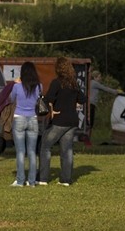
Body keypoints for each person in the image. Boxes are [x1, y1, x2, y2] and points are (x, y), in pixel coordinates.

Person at [38, 57, 87, 186]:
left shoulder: (56, 82)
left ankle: (43, 178)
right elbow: (83, 99)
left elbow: (49, 98)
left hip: (60, 120)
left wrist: (51, 110)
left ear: (58, 69)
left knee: (45, 146)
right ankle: (65, 180)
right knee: (67, 150)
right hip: (72, 121)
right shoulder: (74, 83)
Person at [9, 61, 42, 187]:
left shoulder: (17, 86)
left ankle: (20, 180)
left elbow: (11, 99)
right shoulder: (39, 86)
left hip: (19, 118)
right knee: (32, 152)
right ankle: (32, 181)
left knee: (20, 151)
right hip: (33, 118)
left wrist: (16, 83)